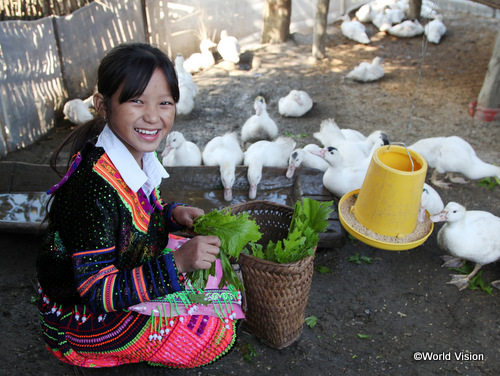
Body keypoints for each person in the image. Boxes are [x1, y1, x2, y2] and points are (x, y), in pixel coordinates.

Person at [36, 42, 237, 369]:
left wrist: (172, 215)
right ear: (103, 105)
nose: (153, 116)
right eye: (136, 101)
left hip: (120, 268)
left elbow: (137, 216)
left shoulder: (138, 153)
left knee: (209, 270)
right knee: (209, 329)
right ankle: (83, 345)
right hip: (83, 312)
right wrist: (178, 265)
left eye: (165, 103)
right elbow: (98, 292)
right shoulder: (92, 187)